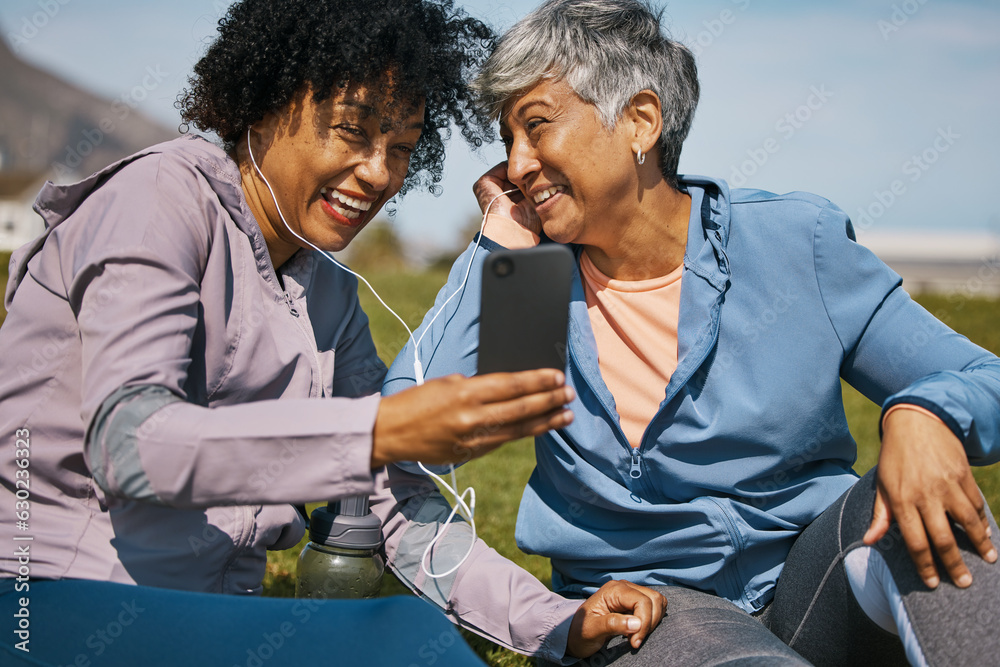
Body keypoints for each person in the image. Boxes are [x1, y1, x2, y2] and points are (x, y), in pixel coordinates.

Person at [0, 0, 648, 664]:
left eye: (401, 148)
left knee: (405, 632)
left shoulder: (329, 291)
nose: (378, 173)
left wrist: (556, 621)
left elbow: (390, 507)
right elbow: (131, 442)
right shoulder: (158, 199)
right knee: (407, 643)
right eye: (352, 131)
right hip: (44, 604)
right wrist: (377, 429)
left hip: (209, 623)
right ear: (264, 102)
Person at [381, 0, 1000, 664]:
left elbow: (980, 379)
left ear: (641, 121)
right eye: (508, 141)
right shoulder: (533, 285)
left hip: (814, 579)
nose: (518, 163)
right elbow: (408, 441)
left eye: (536, 127)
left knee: (922, 506)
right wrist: (497, 247)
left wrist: (924, 413)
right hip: (655, 612)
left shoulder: (797, 245)